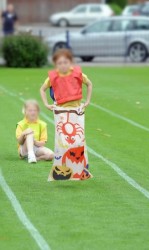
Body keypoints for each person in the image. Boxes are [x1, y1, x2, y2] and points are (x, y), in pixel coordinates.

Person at [40, 49, 93, 181]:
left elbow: (89, 84)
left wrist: (87, 101)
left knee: (79, 141)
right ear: (56, 64)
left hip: (77, 112)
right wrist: (46, 104)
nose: (63, 65)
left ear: (70, 62)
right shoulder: (53, 77)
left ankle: (82, 171)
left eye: (65, 62)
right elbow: (42, 89)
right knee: (62, 143)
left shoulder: (78, 74)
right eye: (60, 63)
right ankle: (62, 170)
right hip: (61, 113)